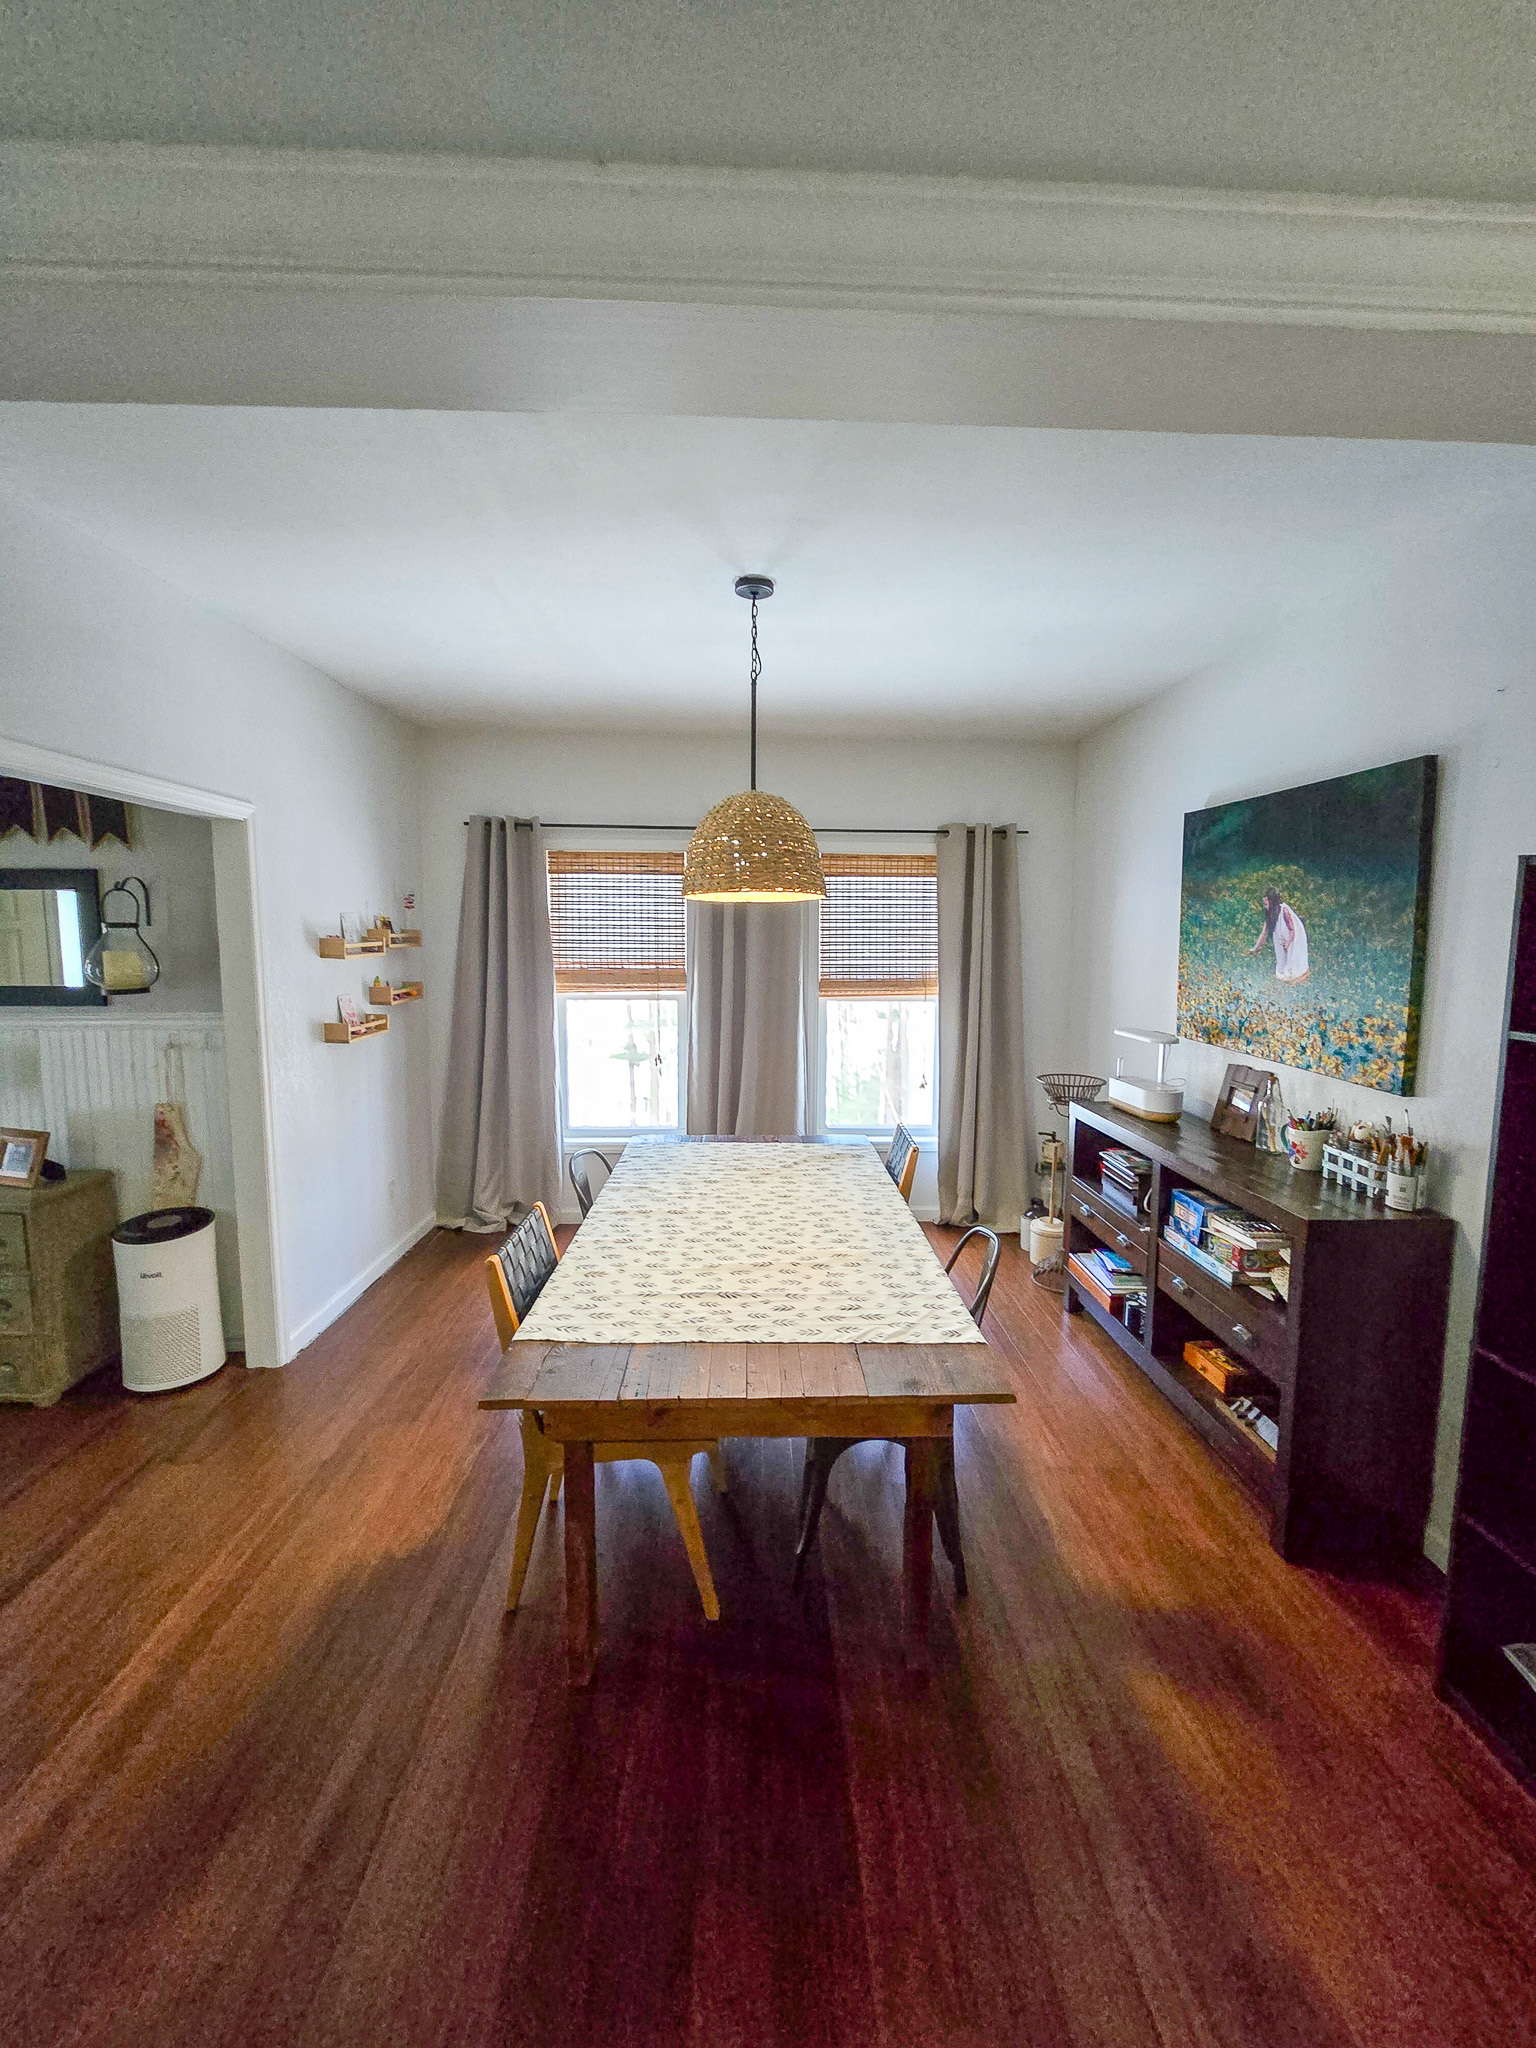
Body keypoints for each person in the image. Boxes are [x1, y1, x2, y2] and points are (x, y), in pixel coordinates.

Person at [1249, 887, 1310, 983]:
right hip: (1281, 938)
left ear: (1272, 902)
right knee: (1282, 963)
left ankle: (1297, 978)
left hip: (1292, 937)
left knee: (1293, 961)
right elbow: (1264, 932)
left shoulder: (1284, 910)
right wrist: (1255, 948)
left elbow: (1292, 929)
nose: (1265, 906)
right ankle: (1288, 979)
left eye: (1266, 903)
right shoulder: (1270, 914)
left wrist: (1288, 942)